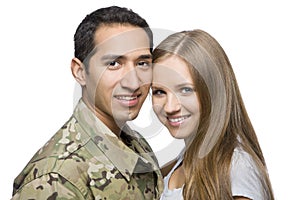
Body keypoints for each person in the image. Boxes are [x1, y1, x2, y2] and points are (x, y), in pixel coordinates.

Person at [12, 6, 163, 199]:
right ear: (80, 72)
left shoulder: (137, 144)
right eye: (113, 63)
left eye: (142, 63)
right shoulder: (56, 178)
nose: (133, 82)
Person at [151, 29, 274, 200]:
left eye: (185, 90)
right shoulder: (175, 166)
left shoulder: (236, 166)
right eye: (159, 91)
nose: (170, 107)